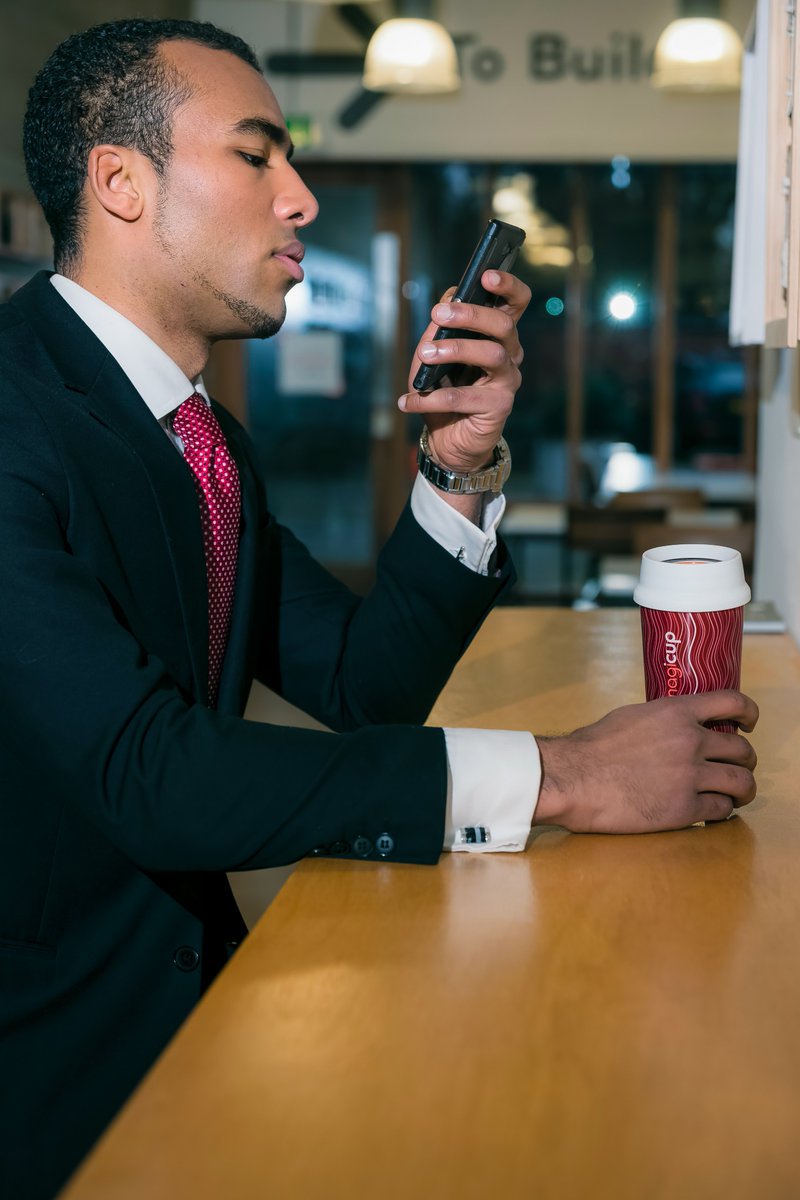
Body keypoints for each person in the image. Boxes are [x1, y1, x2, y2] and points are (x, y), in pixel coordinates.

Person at [0, 17, 758, 1198]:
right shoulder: (11, 415)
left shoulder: (203, 441)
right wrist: (560, 774)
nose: (299, 199)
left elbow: (361, 686)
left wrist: (457, 467)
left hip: (200, 1027)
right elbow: (148, 776)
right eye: (257, 156)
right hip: (47, 1070)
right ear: (119, 182)